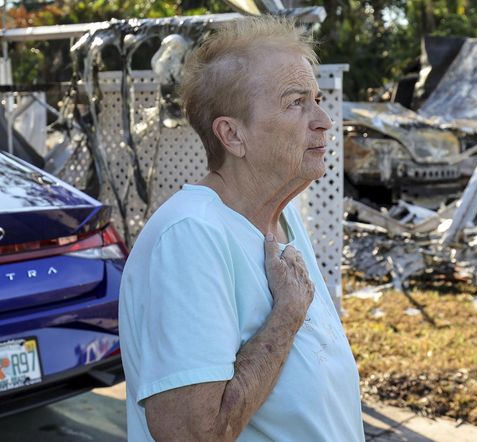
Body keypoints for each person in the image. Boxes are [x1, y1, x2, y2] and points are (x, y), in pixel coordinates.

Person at [118, 16, 365, 442]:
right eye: (295, 102)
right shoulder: (191, 235)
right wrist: (286, 316)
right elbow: (191, 433)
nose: (324, 119)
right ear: (232, 134)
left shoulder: (279, 217)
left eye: (317, 98)